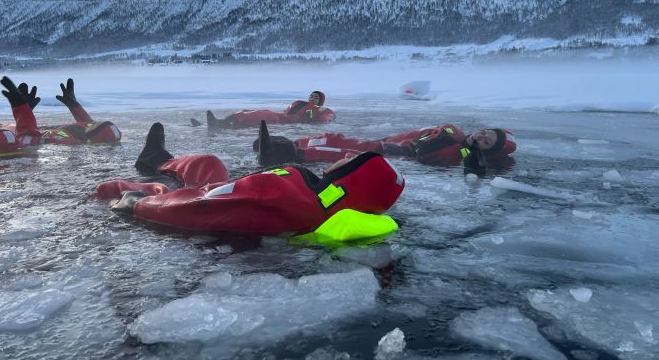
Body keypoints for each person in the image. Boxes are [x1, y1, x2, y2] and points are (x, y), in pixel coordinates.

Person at [95, 122, 405, 236]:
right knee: (208, 162)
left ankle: (153, 166)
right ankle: (158, 160)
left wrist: (140, 204)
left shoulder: (287, 192)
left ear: (352, 178)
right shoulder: (320, 204)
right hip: (223, 194)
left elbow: (202, 205)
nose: (347, 155)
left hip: (199, 201)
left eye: (355, 160)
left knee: (200, 166)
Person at [254, 121, 516, 171]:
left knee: (341, 151)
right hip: (392, 142)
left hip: (395, 153)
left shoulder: (461, 153)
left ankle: (281, 154)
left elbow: (426, 154)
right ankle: (281, 143)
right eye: (485, 132)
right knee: (334, 137)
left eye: (486, 141)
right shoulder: (454, 133)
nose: (481, 136)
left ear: (486, 150)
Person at [0, 77, 121, 145]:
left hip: (32, 131)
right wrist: (74, 105)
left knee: (8, 130)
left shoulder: (67, 140)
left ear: (92, 135)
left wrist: (23, 111)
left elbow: (26, 140)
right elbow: (88, 124)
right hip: (39, 128)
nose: (93, 123)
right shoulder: (88, 130)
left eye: (95, 126)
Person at [200, 90, 336, 130]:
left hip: (285, 121)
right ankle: (222, 122)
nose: (312, 98)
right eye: (311, 96)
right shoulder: (301, 104)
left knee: (259, 115)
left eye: (316, 97)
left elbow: (325, 119)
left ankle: (223, 124)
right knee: (247, 111)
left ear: (320, 101)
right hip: (280, 116)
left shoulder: (320, 110)